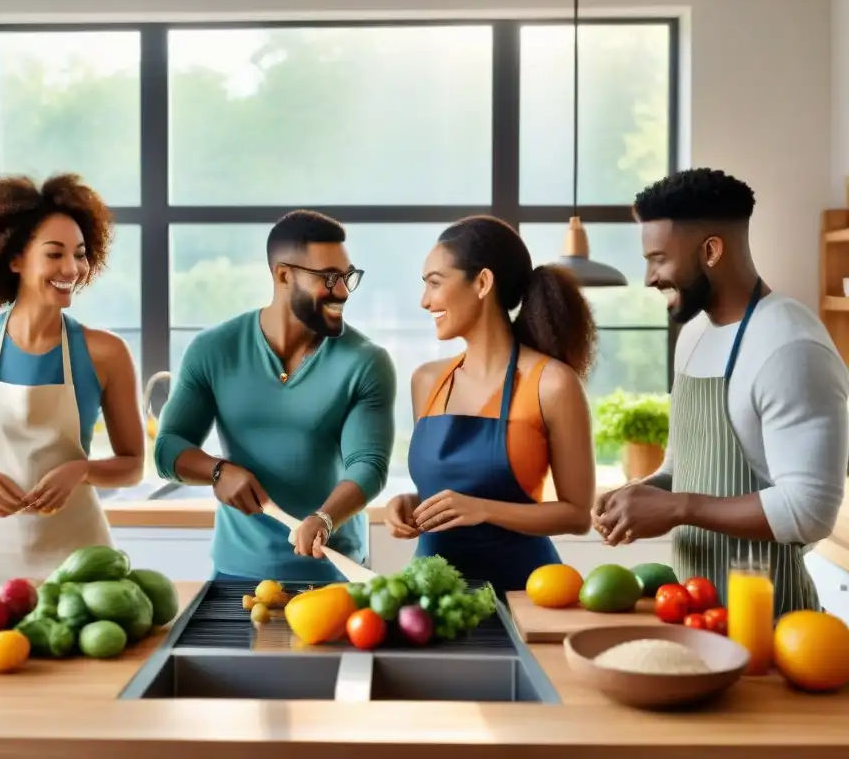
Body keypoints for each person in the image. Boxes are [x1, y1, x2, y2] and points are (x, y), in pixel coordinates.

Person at [594, 168, 849, 616]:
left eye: (658, 258)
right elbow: (683, 465)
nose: (650, 277)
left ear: (711, 250)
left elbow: (809, 512)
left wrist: (677, 508)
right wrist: (640, 495)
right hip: (697, 614)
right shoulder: (693, 337)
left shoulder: (790, 345)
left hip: (774, 630)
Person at [154, 210, 397, 583]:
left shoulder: (365, 361)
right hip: (236, 574)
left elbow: (368, 464)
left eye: (347, 276)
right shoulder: (213, 350)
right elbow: (168, 448)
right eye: (329, 277)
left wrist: (324, 518)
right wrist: (218, 471)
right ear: (284, 275)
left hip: (335, 571)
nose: (343, 291)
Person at [0, 173, 145, 591]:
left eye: (80, 255)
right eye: (55, 254)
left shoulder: (107, 353)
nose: (72, 269)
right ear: (14, 259)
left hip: (78, 558)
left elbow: (134, 465)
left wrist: (82, 471)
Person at [383, 215, 597, 596]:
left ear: (482, 283)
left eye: (435, 283)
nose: (425, 300)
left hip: (523, 594)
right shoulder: (427, 381)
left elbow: (578, 514)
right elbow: (456, 488)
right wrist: (414, 503)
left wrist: (485, 509)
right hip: (433, 597)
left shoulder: (552, 383)